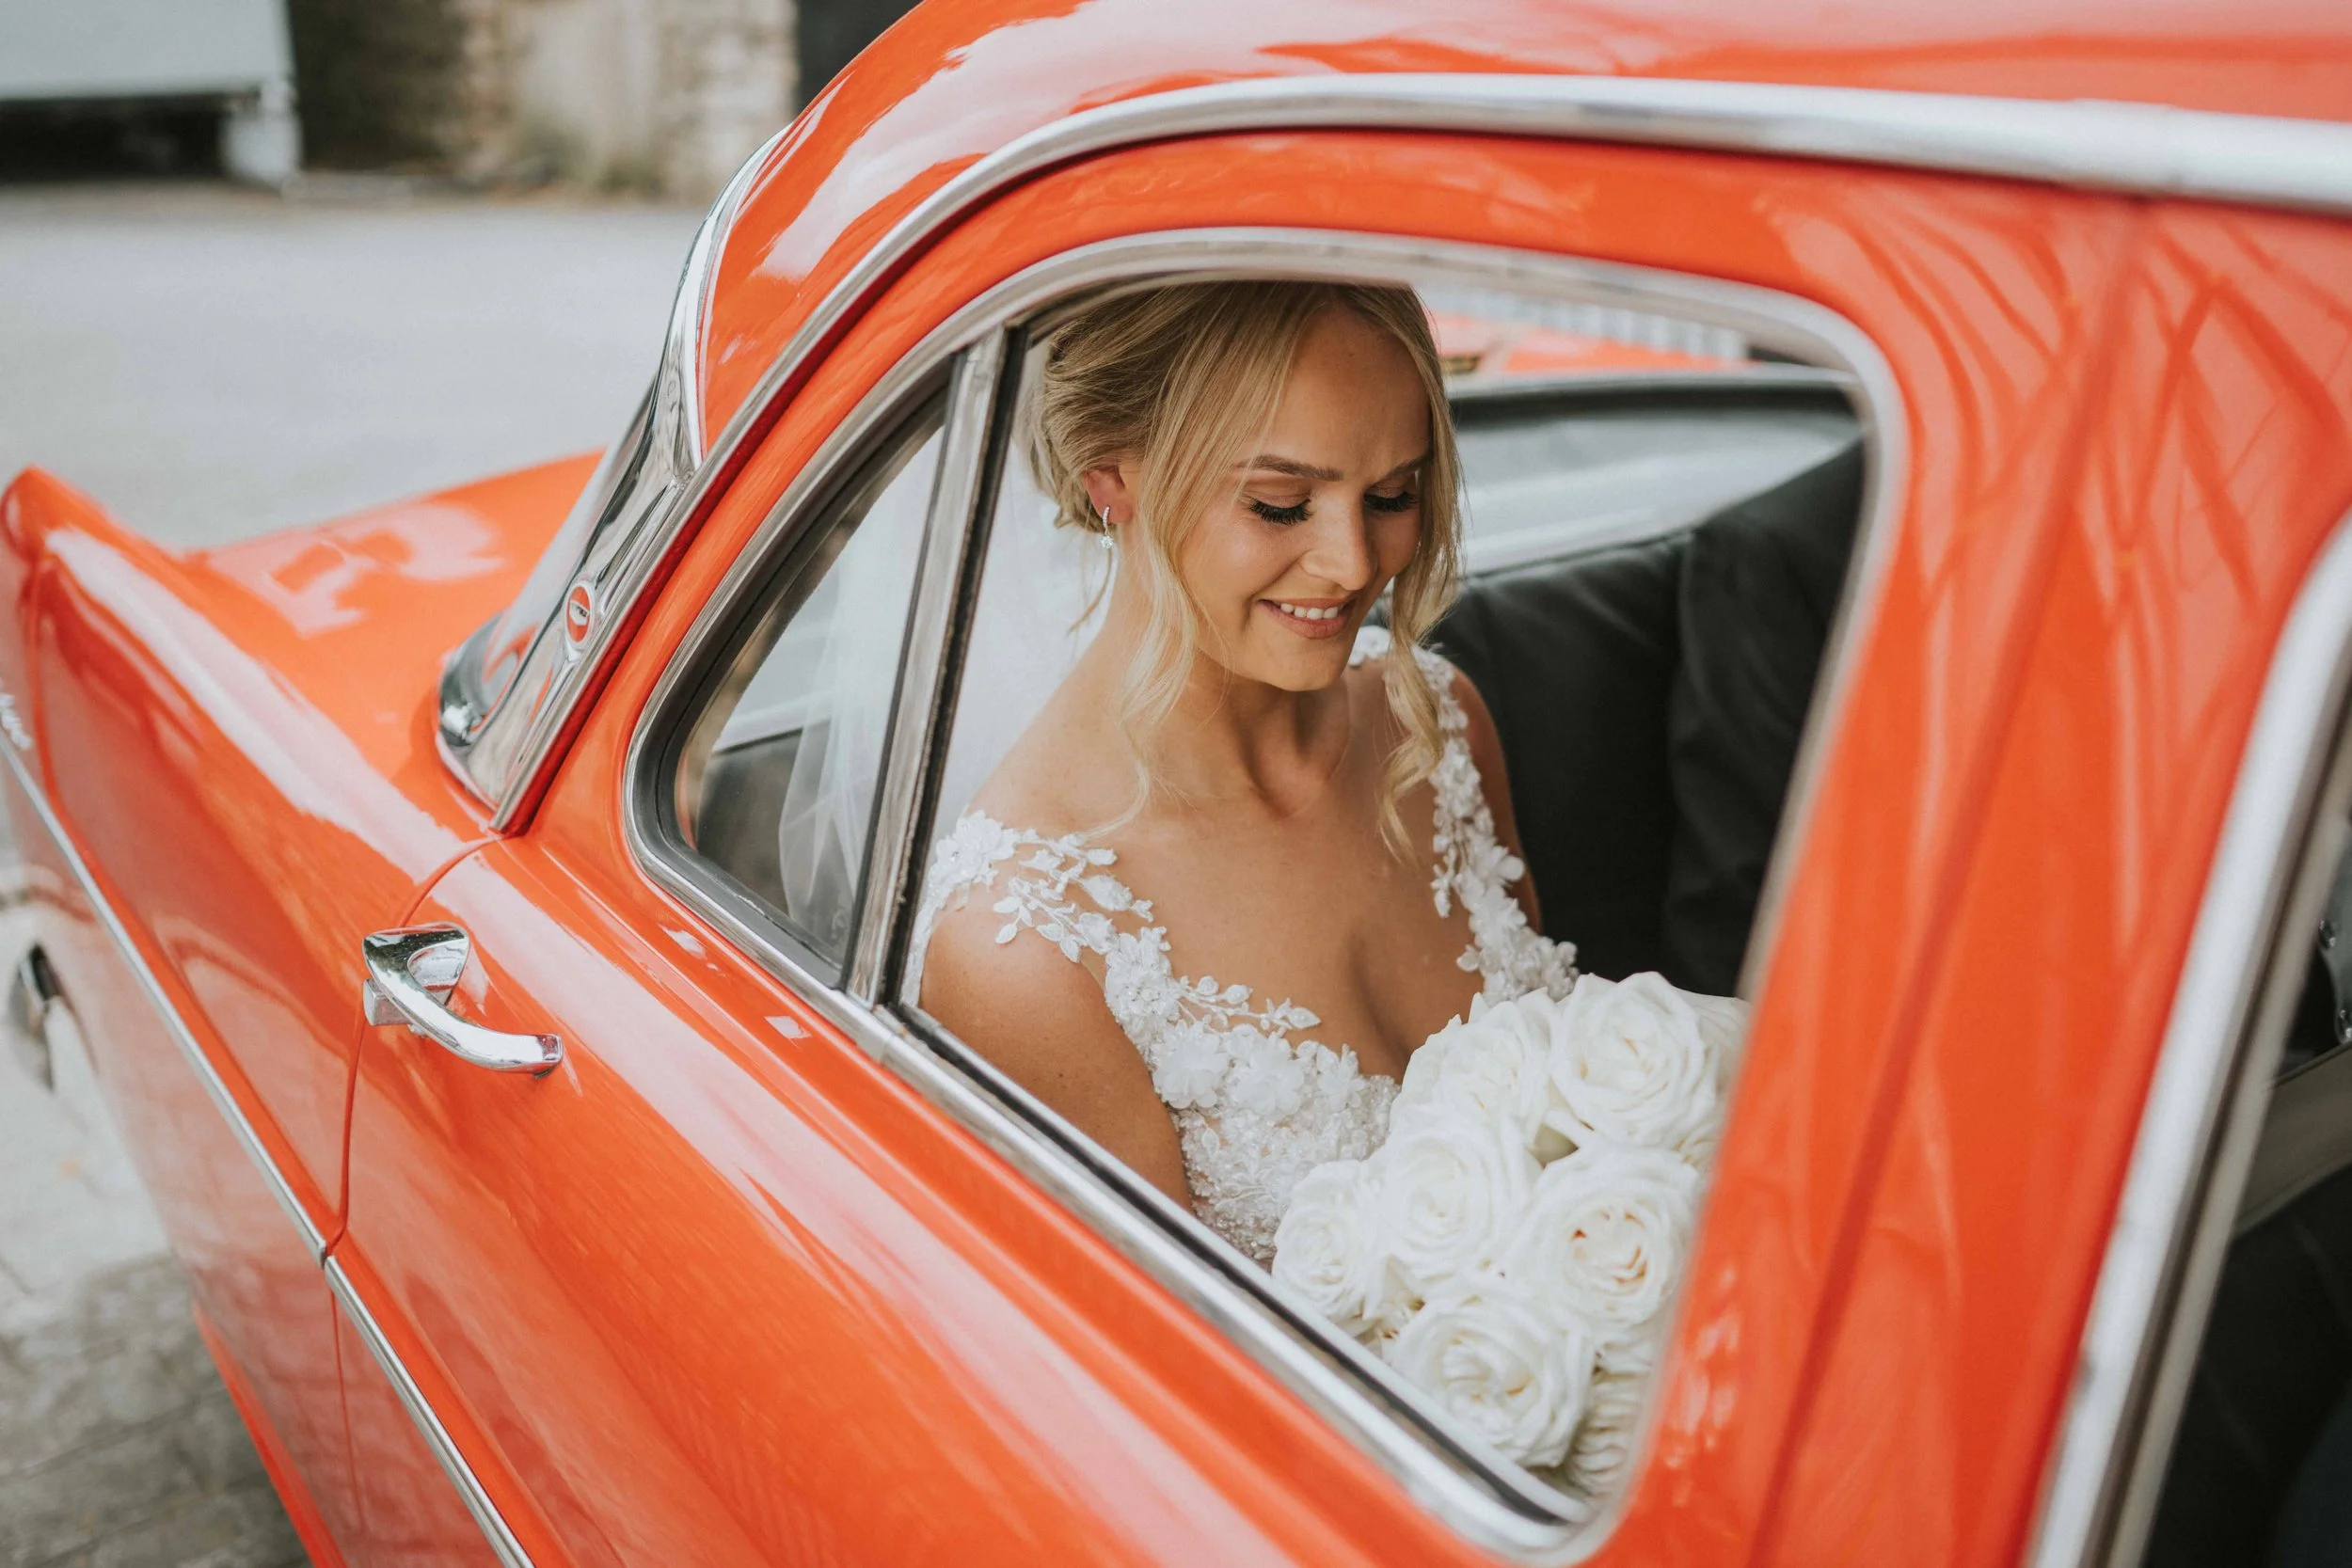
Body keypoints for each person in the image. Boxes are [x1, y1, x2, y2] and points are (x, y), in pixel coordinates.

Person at [912, 280, 1576, 1260]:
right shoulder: (1027, 949)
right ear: (1110, 478)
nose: (1353, 564)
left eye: (1392, 494)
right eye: (1279, 505)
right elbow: (1151, 1382)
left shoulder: (1436, 724)